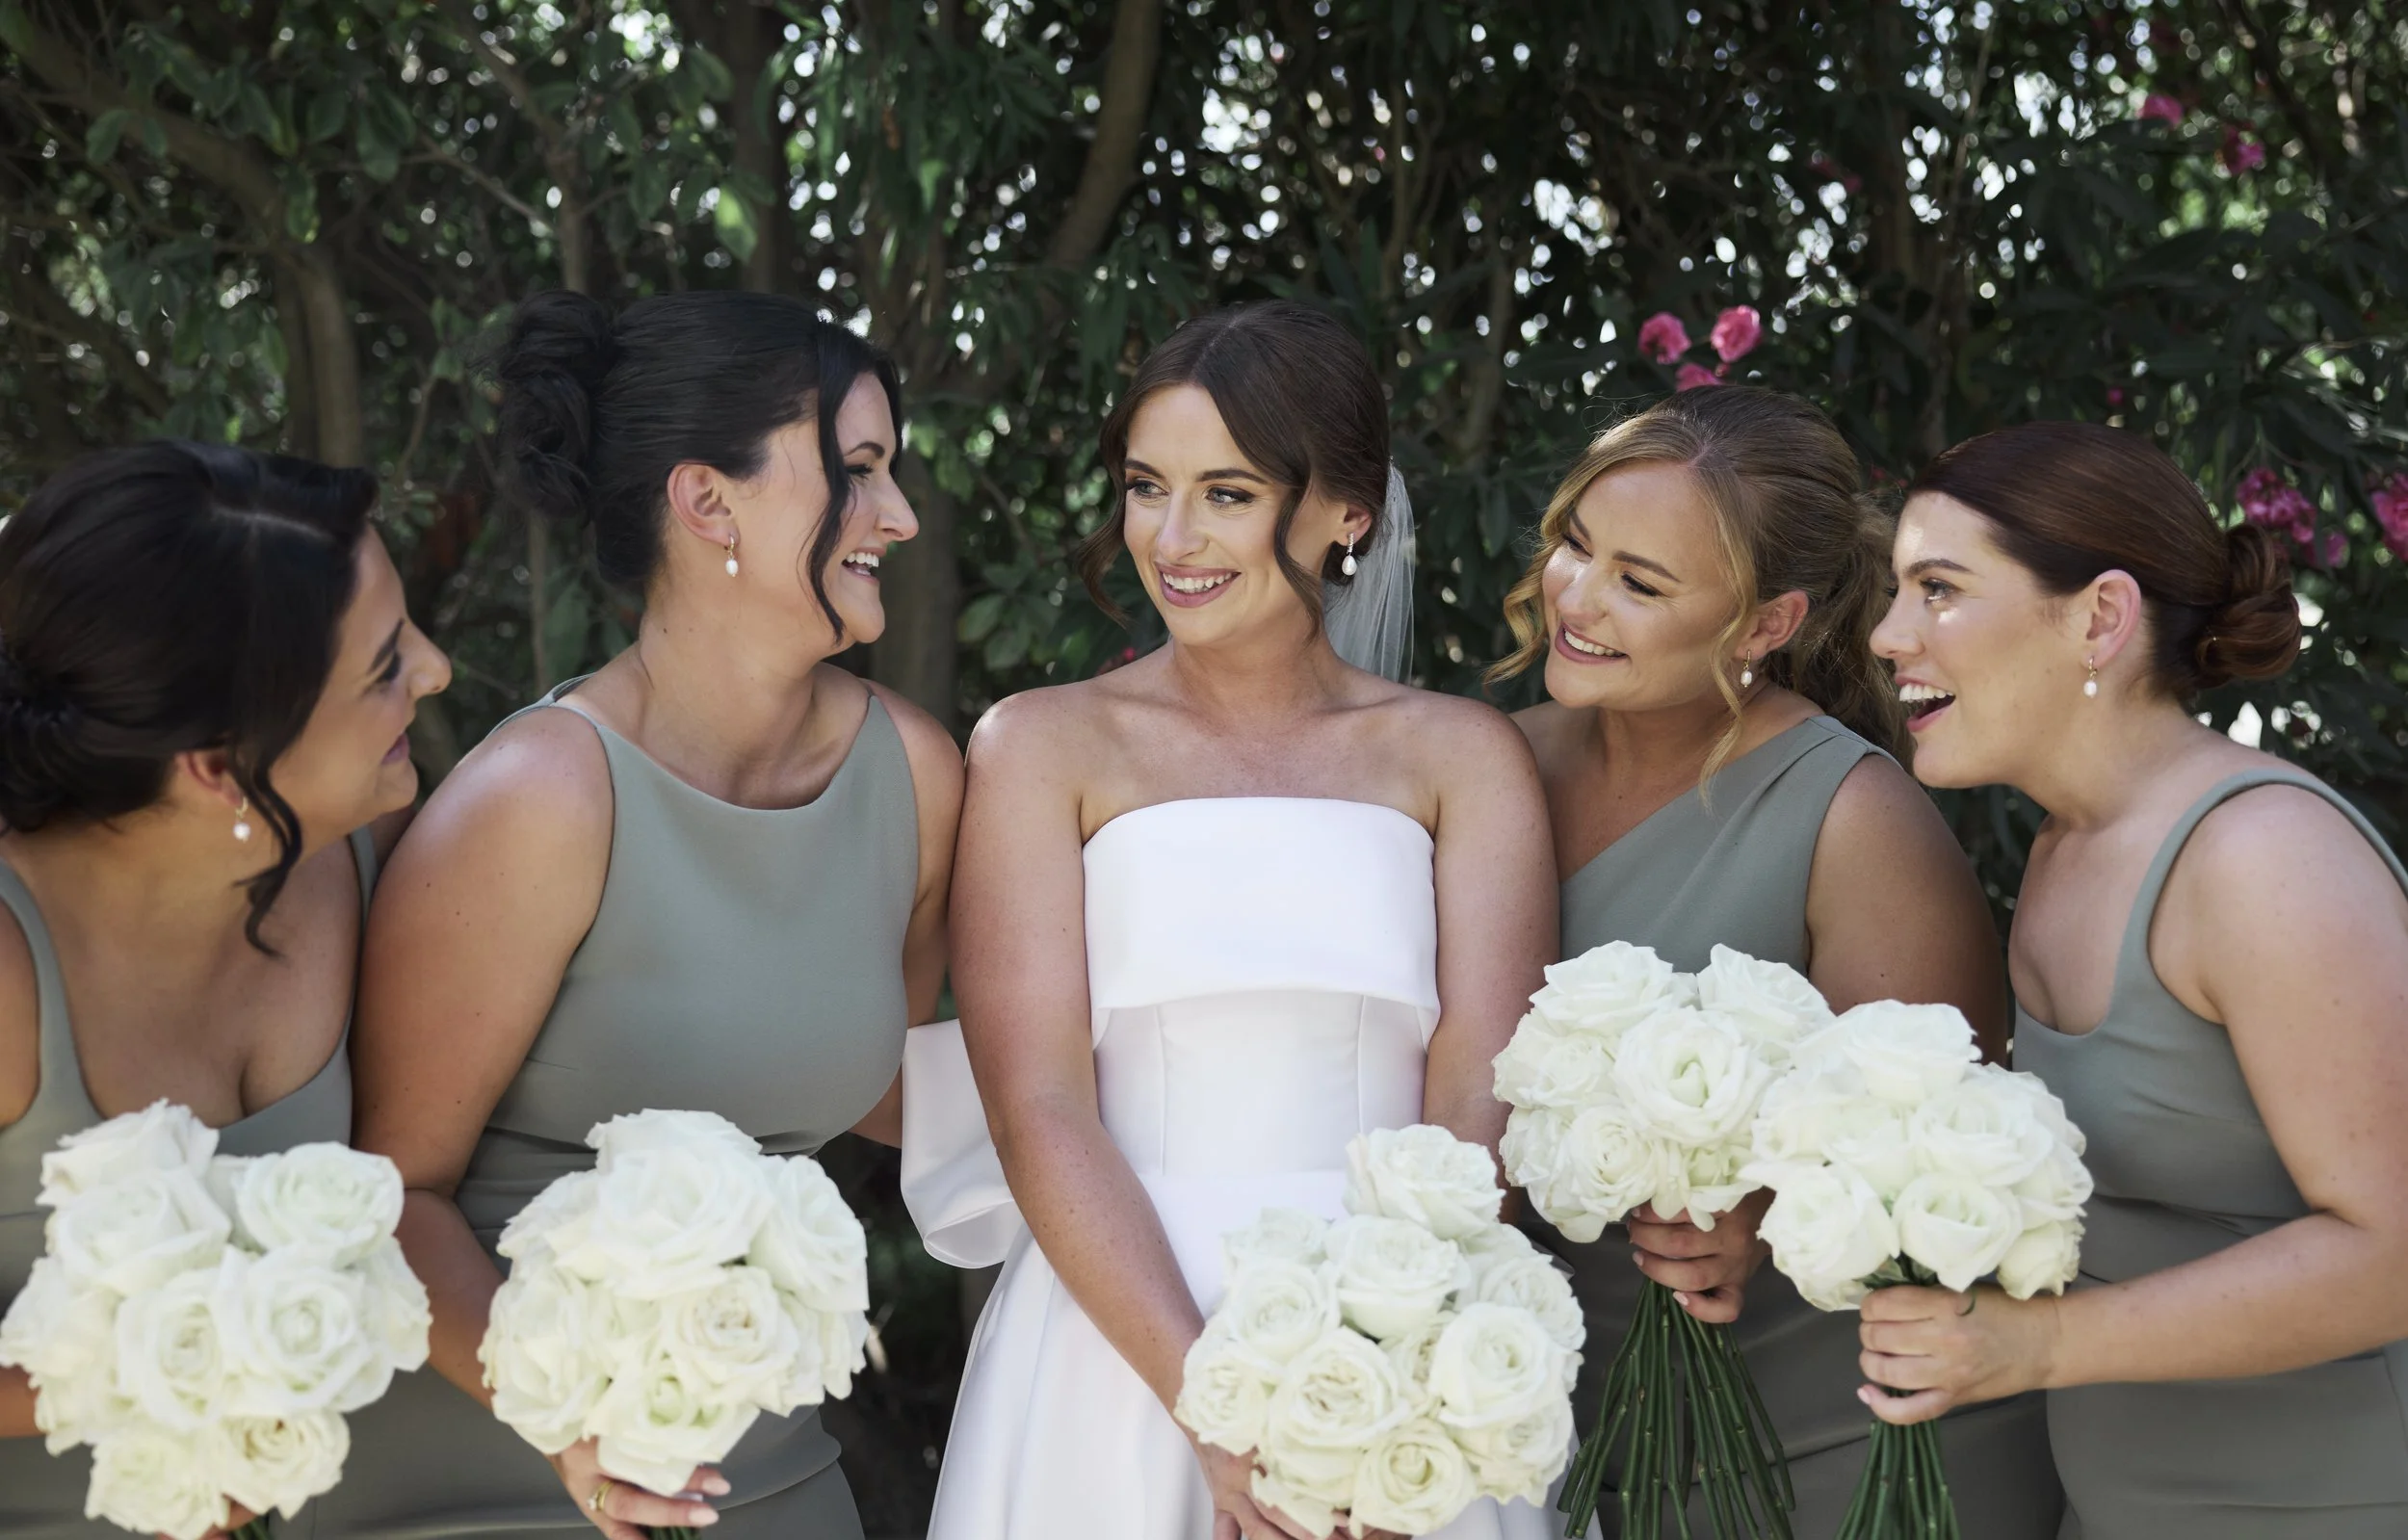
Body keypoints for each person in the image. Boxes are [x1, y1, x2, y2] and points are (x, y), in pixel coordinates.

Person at [902, 300, 1557, 1540]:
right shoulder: (1042, 746)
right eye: (1147, 487)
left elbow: (1484, 1082)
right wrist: (1210, 1405)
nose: (1172, 537)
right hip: (1116, 1333)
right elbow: (1037, 1104)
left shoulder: (1459, 757)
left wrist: (1377, 1380)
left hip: (1402, 1326)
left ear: (1346, 512)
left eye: (1228, 494)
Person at [321, 290, 961, 1540]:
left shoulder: (917, 775)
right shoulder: (540, 798)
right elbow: (390, 1191)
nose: (900, 514)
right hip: (499, 1462)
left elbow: (885, 1086)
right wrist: (573, 1420)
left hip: (763, 1454)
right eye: (858, 469)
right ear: (708, 501)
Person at [1494, 388, 2059, 1537]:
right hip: (1584, 1440)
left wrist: (1753, 1210)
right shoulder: (1492, 759)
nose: (1577, 597)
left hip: (1844, 1447)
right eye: (1576, 546)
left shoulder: (1856, 819)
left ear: (1765, 625)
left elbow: (1936, 1157)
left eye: (1640, 583)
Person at [1858, 421, 2408, 1538]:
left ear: (2099, 617)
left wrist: (2039, 1346)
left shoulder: (2260, 858)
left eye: (1939, 590)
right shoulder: (2062, 851)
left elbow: (2392, 1249)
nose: (1885, 634)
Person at [0, 442, 451, 1537]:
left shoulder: (379, 841)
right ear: (217, 764)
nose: (436, 671)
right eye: (383, 667)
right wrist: (160, 1377)